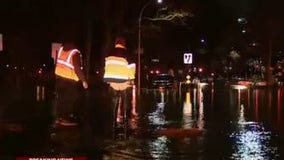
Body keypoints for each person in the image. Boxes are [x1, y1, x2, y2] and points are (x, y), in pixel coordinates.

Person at [103, 36, 135, 136]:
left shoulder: (109, 52)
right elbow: (131, 69)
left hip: (112, 82)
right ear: (124, 44)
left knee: (114, 106)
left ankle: (113, 128)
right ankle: (125, 127)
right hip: (124, 82)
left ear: (115, 43)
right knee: (125, 105)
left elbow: (106, 67)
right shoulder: (127, 54)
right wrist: (131, 81)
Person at [54, 41, 88, 126]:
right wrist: (83, 80)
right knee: (70, 98)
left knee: (61, 99)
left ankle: (59, 118)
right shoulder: (75, 52)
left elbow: (57, 62)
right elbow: (77, 68)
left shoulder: (61, 49)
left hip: (59, 78)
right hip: (68, 80)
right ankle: (64, 118)